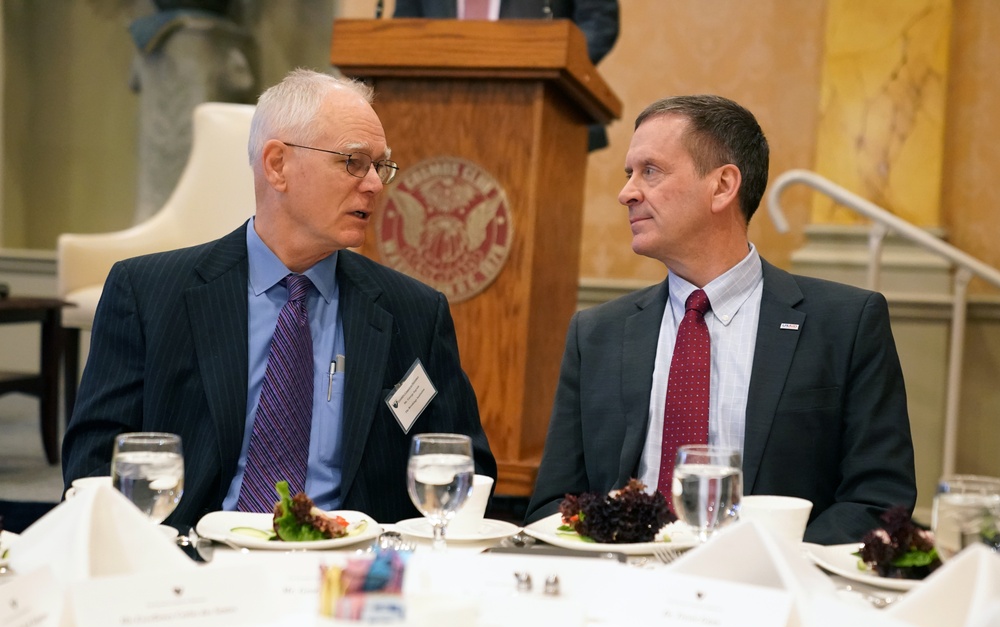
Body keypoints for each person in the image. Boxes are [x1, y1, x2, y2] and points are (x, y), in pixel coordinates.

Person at [62, 68, 497, 530]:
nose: (374, 183)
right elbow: (93, 466)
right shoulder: (149, 294)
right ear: (277, 165)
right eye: (353, 161)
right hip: (198, 565)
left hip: (347, 570)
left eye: (379, 165)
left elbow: (466, 470)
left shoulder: (413, 312)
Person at [524, 95, 917, 545]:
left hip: (774, 591)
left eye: (649, 171)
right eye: (629, 174)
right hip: (622, 586)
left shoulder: (845, 325)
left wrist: (768, 564)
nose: (627, 192)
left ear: (723, 185)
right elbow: (555, 502)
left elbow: (880, 499)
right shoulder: (596, 334)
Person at [392, 0, 619, 151]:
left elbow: (599, 21)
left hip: (541, 113)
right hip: (430, 115)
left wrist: (555, 64)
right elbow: (404, 30)